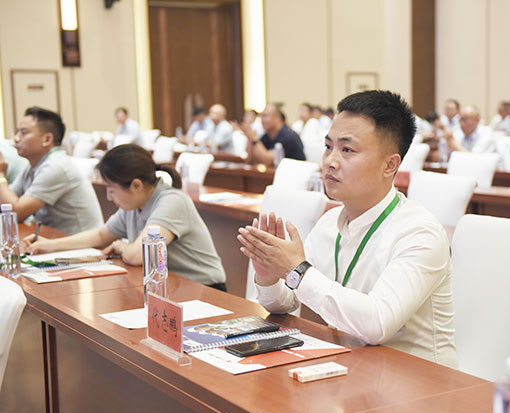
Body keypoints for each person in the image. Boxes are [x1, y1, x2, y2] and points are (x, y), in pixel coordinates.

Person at [237, 90, 458, 367]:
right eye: (328, 146)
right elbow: (288, 301)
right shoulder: (330, 222)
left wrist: (297, 270)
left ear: (390, 165)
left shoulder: (419, 232)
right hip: (354, 366)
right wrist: (270, 275)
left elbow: (377, 323)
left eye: (347, 150)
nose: (330, 161)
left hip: (417, 380)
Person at [23, 144, 227, 291]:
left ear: (136, 185)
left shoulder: (172, 201)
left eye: (111, 190)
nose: (108, 197)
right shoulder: (134, 204)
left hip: (204, 289)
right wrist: (50, 245)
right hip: (169, 286)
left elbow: (140, 255)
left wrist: (121, 246)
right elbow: (101, 235)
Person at [0, 107, 103, 235]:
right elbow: (5, 205)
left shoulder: (56, 167)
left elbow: (16, 213)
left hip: (81, 243)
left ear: (47, 139)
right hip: (51, 238)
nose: (16, 138)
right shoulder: (33, 165)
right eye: (17, 132)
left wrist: (1, 176)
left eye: (24, 133)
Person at [241, 103, 306, 165]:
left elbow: (268, 160)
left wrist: (254, 139)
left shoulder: (288, 136)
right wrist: (250, 138)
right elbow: (250, 161)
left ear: (277, 117)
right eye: (261, 117)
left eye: (265, 116)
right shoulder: (266, 136)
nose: (262, 120)